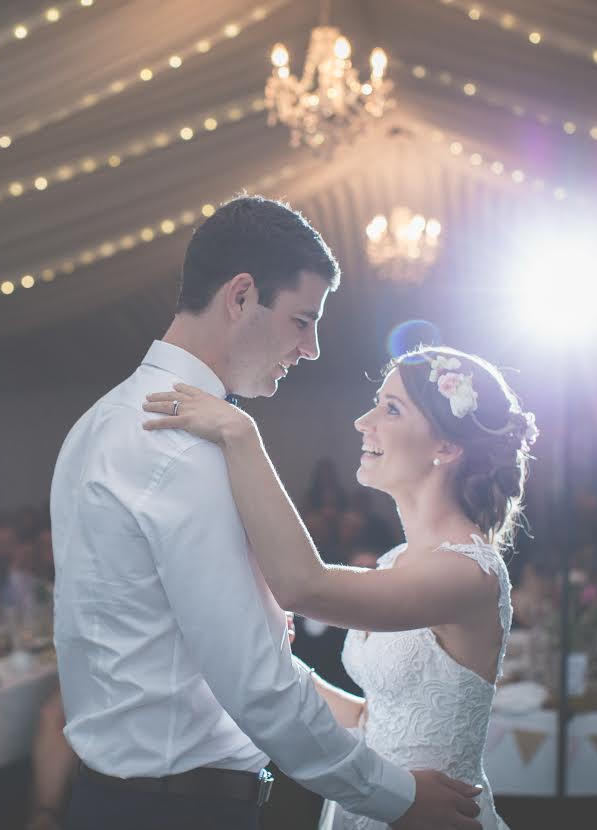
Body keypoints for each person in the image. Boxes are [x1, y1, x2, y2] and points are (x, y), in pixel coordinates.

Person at [50, 195, 482, 830]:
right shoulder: (180, 443)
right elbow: (252, 678)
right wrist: (395, 795)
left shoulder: (99, 422)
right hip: (173, 812)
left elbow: (211, 648)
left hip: (123, 798)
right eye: (302, 320)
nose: (310, 349)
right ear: (242, 295)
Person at [144, 344, 539, 830]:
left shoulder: (468, 573)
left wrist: (240, 435)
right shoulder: (398, 561)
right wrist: (274, 658)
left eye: (391, 408)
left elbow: (303, 586)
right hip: (377, 807)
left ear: (446, 447)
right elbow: (371, 720)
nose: (363, 421)